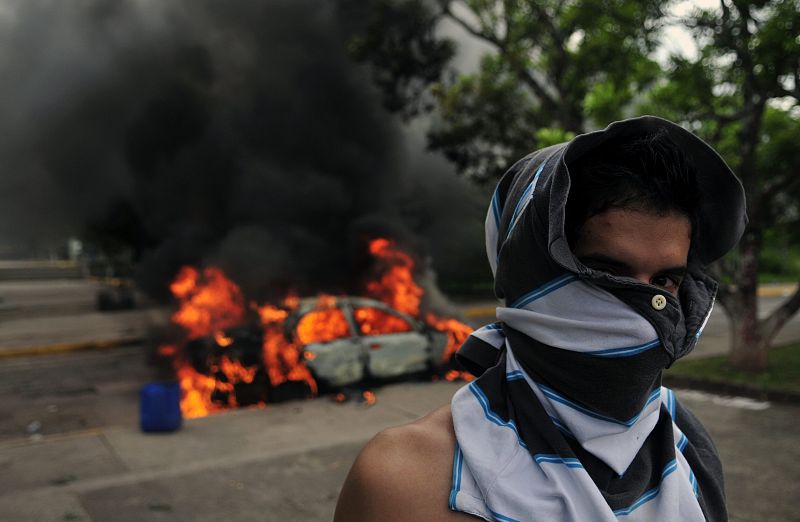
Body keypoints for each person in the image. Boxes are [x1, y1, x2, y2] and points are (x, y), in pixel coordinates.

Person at [334, 116, 746, 522]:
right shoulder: (407, 481)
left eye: (664, 281)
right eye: (606, 274)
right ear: (529, 275)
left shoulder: (686, 443)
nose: (644, 313)